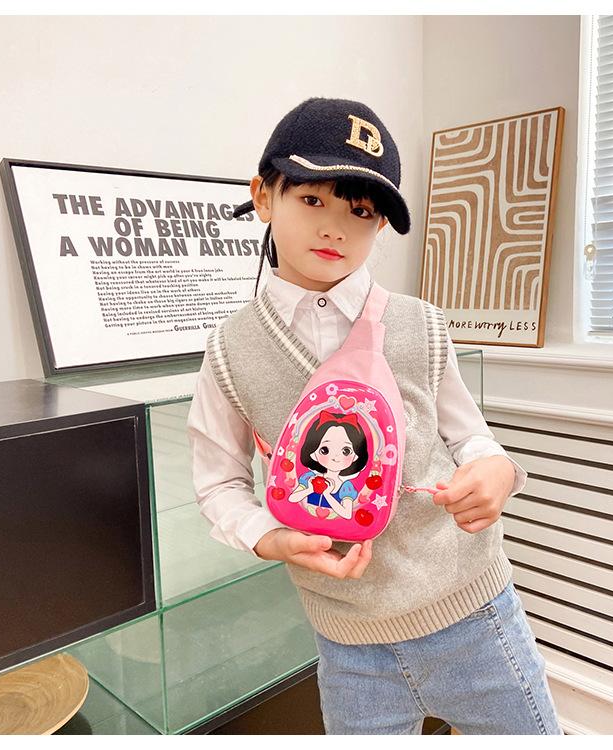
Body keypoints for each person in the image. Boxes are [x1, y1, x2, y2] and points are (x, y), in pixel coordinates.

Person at [186, 96, 562, 735]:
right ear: (263, 196)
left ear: (380, 223)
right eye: (312, 199)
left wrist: (496, 470)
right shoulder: (231, 349)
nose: (335, 228)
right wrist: (268, 536)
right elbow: (218, 481)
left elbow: (470, 435)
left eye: (360, 211)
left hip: (476, 618)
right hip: (347, 642)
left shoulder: (420, 324)